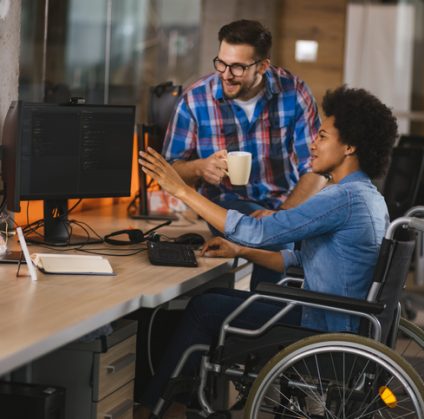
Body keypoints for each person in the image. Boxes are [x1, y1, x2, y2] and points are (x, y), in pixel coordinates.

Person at [138, 86, 398, 417]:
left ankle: (153, 411)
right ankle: (168, 408)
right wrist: (239, 250)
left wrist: (181, 190)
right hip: (342, 320)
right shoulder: (367, 196)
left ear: (349, 147)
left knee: (204, 307)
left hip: (324, 326)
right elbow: (300, 259)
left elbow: (260, 231)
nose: (312, 144)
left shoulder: (341, 199)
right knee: (212, 300)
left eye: (321, 136)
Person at [162, 19, 327, 289]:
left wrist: (282, 218)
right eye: (221, 63)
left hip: (285, 204)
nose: (226, 74)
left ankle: (263, 316)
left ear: (263, 66)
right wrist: (199, 168)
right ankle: (261, 318)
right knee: (277, 241)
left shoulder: (294, 92)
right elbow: (168, 171)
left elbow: (317, 169)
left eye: (237, 67)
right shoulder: (195, 99)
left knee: (292, 239)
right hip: (226, 205)